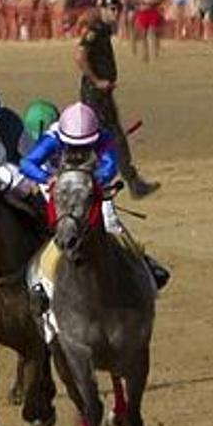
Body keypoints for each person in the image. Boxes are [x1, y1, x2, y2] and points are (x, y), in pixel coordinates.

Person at [19, 102, 170, 291]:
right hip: (58, 187)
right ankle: (38, 285)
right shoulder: (53, 137)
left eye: (84, 145)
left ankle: (142, 265)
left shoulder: (103, 137)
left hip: (91, 188)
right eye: (73, 145)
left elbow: (110, 166)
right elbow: (27, 163)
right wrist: (47, 178)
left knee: (112, 223)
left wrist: (90, 180)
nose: (78, 148)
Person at [77, 0, 160, 198]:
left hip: (101, 93)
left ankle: (124, 181)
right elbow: (80, 56)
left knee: (102, 137)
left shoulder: (103, 30)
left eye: (117, 10)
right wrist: (97, 81)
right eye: (111, 9)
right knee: (112, 137)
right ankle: (130, 182)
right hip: (96, 93)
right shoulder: (95, 30)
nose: (115, 13)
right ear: (102, 9)